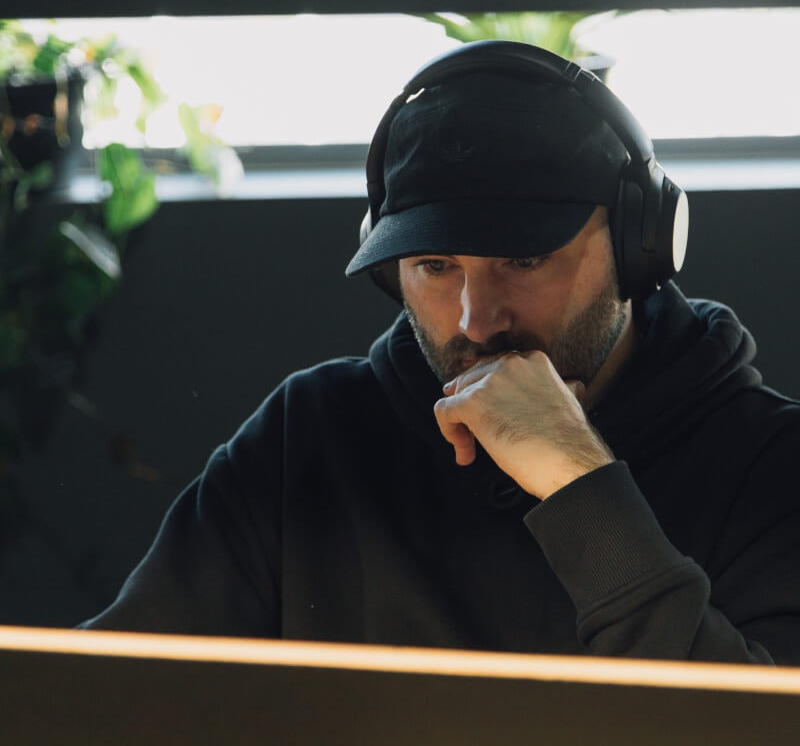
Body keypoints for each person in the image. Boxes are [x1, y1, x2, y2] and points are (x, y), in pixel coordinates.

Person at [81, 40, 800, 666]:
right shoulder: (310, 437)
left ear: (638, 250)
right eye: (434, 266)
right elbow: (97, 704)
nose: (476, 321)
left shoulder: (768, 462)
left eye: (523, 260)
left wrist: (583, 488)